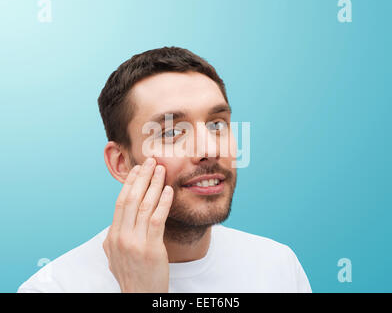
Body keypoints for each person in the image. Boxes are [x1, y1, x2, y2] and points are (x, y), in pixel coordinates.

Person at [17, 46, 312, 293]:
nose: (208, 150)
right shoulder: (53, 287)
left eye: (217, 125)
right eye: (171, 132)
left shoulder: (278, 267)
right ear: (121, 163)